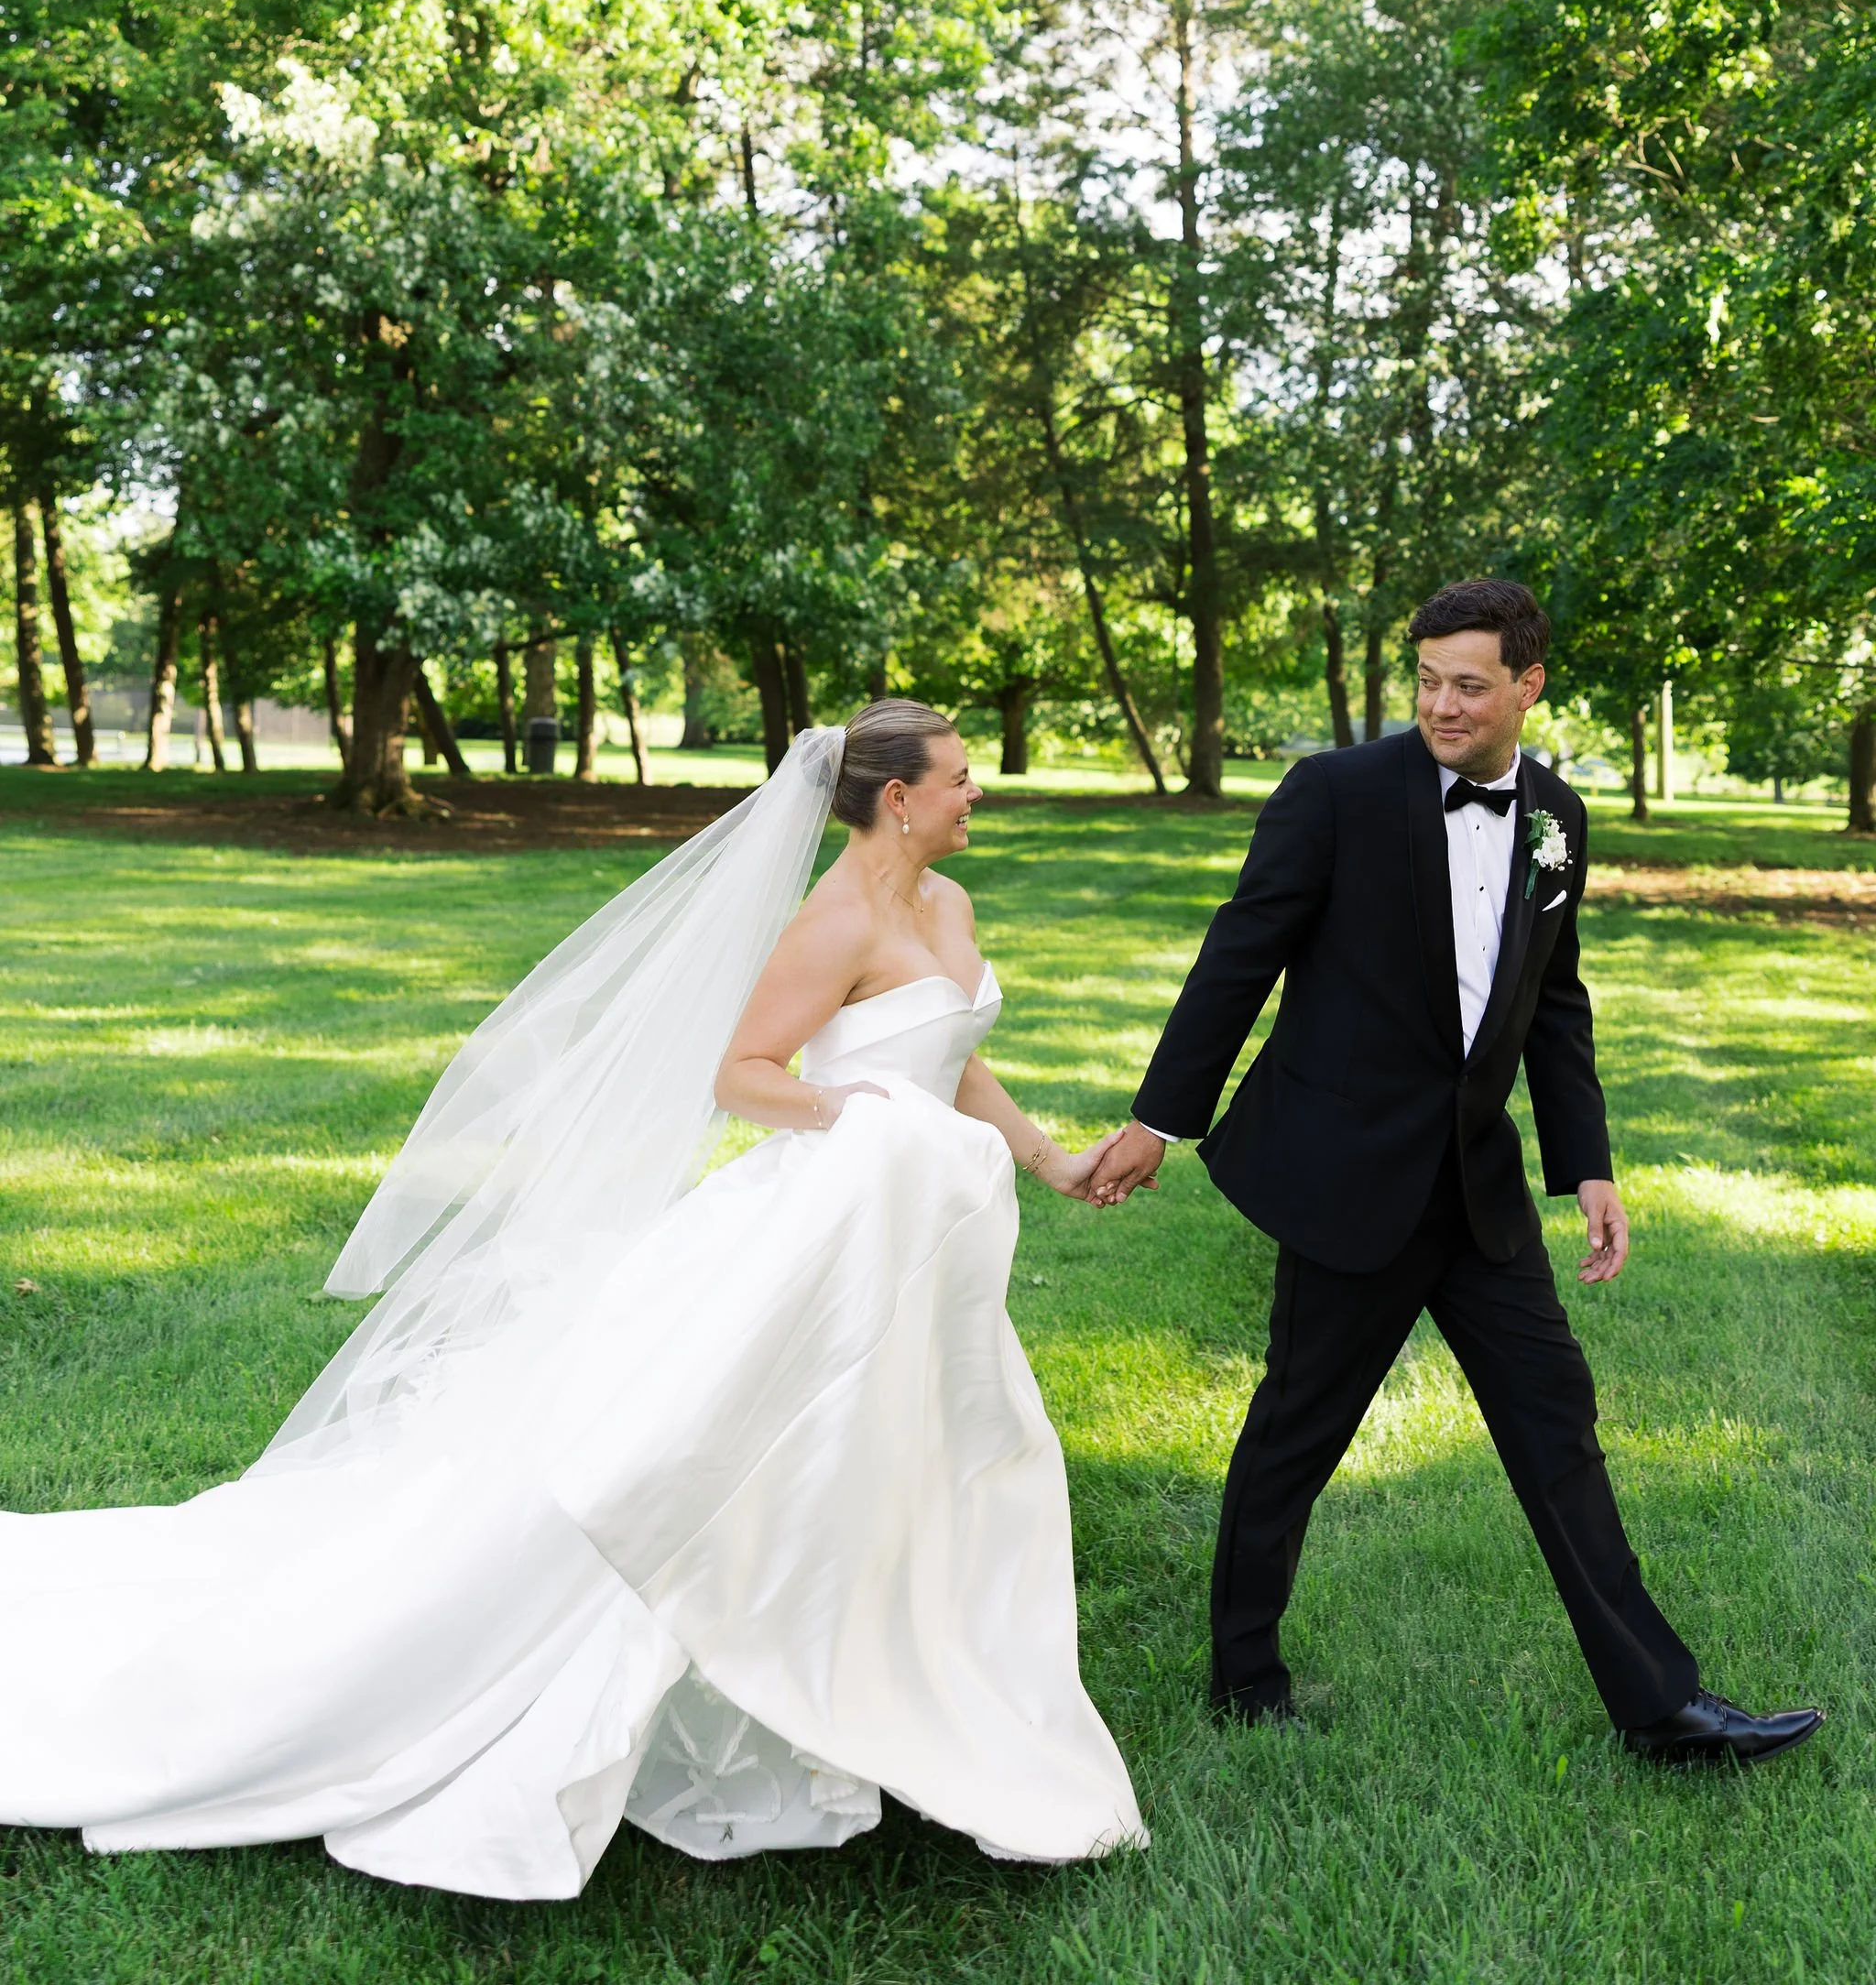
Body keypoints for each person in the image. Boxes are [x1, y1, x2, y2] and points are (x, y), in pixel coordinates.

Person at [0, 703, 1141, 1895]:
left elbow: (950, 1050)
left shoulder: (947, 906)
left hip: (921, 1234)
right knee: (717, 1458)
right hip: (832, 1228)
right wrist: (852, 1112)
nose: (976, 793)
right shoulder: (837, 919)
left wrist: (1048, 1159)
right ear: (897, 799)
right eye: (960, 778)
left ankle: (878, 1669)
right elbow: (742, 1073)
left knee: (904, 1447)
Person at [1093, 579, 1824, 1769]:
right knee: (1296, 1435)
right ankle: (1245, 1676)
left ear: (1529, 685)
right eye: (1428, 681)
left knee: (1557, 1425)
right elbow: (1242, 951)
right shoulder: (1334, 794)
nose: (1442, 704)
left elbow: (1555, 999)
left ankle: (1661, 1707)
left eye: (1470, 685)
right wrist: (1159, 1120)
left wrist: (1587, 1166)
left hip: (1480, 1191)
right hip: (1348, 1178)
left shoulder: (1557, 817)